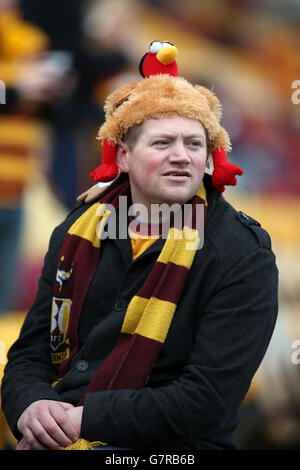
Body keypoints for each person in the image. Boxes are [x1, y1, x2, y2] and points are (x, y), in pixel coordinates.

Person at [1, 41, 278, 450]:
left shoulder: (241, 253)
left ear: (209, 158)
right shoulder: (77, 228)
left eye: (195, 144)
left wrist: (80, 422)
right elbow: (28, 354)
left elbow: (206, 402)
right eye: (163, 143)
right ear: (124, 156)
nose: (182, 156)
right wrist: (31, 409)